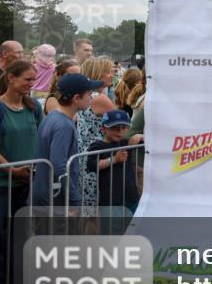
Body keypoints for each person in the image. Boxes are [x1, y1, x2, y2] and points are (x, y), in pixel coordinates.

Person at [0, 60, 44, 284]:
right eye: (27, 79)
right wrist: (12, 170)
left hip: (26, 186)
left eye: (33, 79)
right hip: (1, 187)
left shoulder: (34, 107)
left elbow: (39, 140)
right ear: (10, 77)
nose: (32, 84)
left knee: (23, 245)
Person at [33, 73, 102, 207]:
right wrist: (73, 199)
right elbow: (59, 166)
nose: (91, 97)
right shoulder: (64, 126)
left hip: (47, 192)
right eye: (89, 94)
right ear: (76, 98)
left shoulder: (52, 116)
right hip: (55, 198)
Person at [85, 110, 140, 212]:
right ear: (104, 129)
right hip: (111, 200)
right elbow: (92, 165)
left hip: (131, 197)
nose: (120, 131)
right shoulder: (97, 146)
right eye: (115, 127)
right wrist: (114, 159)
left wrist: (140, 136)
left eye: (124, 127)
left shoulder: (126, 142)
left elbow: (146, 142)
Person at [76, 56, 117, 152]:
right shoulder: (99, 98)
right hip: (100, 154)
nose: (111, 75)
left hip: (85, 152)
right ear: (97, 74)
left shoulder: (85, 95)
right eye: (108, 72)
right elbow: (122, 124)